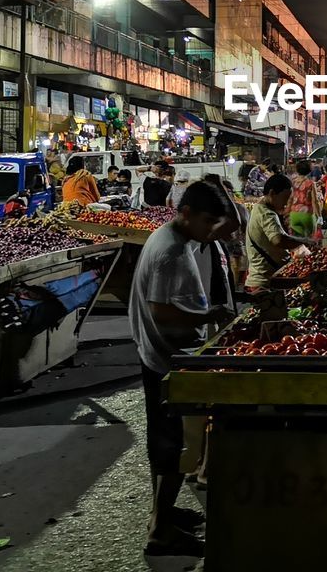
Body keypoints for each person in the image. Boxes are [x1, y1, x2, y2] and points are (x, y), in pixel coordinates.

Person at [129, 181, 237, 556]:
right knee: (171, 447)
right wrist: (208, 314)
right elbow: (162, 310)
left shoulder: (171, 238)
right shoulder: (172, 252)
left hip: (158, 354)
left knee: (166, 443)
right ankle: (160, 531)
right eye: (208, 222)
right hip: (166, 360)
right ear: (186, 212)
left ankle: (165, 513)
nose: (212, 231)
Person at [245, 173, 317, 290]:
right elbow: (278, 239)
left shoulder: (261, 208)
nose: (286, 203)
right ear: (272, 193)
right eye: (285, 198)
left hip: (270, 278)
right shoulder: (266, 213)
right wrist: (306, 241)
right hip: (264, 283)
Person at [288, 160, 321, 237]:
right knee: (308, 242)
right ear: (308, 170)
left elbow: (290, 199)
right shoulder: (310, 183)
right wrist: (319, 216)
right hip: (307, 215)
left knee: (296, 242)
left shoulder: (293, 182)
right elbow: (315, 201)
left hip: (294, 215)